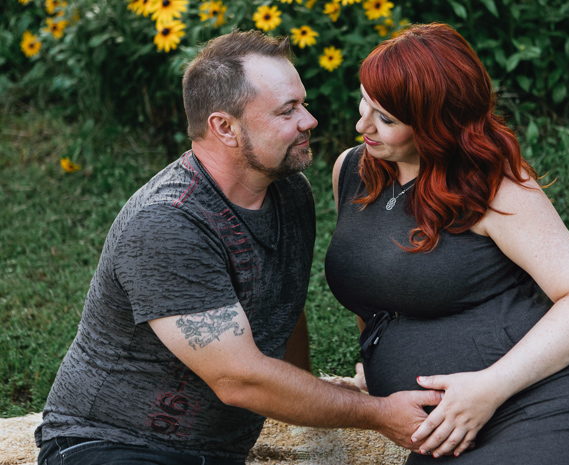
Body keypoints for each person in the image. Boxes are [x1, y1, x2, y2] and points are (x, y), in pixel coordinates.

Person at [34, 29, 443, 465]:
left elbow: (282, 302)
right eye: (288, 111)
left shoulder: (289, 191)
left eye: (302, 103)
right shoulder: (169, 222)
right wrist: (380, 413)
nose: (310, 121)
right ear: (224, 127)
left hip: (215, 453)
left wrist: (304, 387)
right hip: (110, 444)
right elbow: (239, 380)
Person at [325, 22, 569, 464]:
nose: (361, 125)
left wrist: (488, 388)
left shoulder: (493, 187)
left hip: (541, 406)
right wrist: (375, 357)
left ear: (434, 123)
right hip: (446, 427)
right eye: (364, 105)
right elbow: (368, 283)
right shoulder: (352, 170)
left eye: (385, 119)